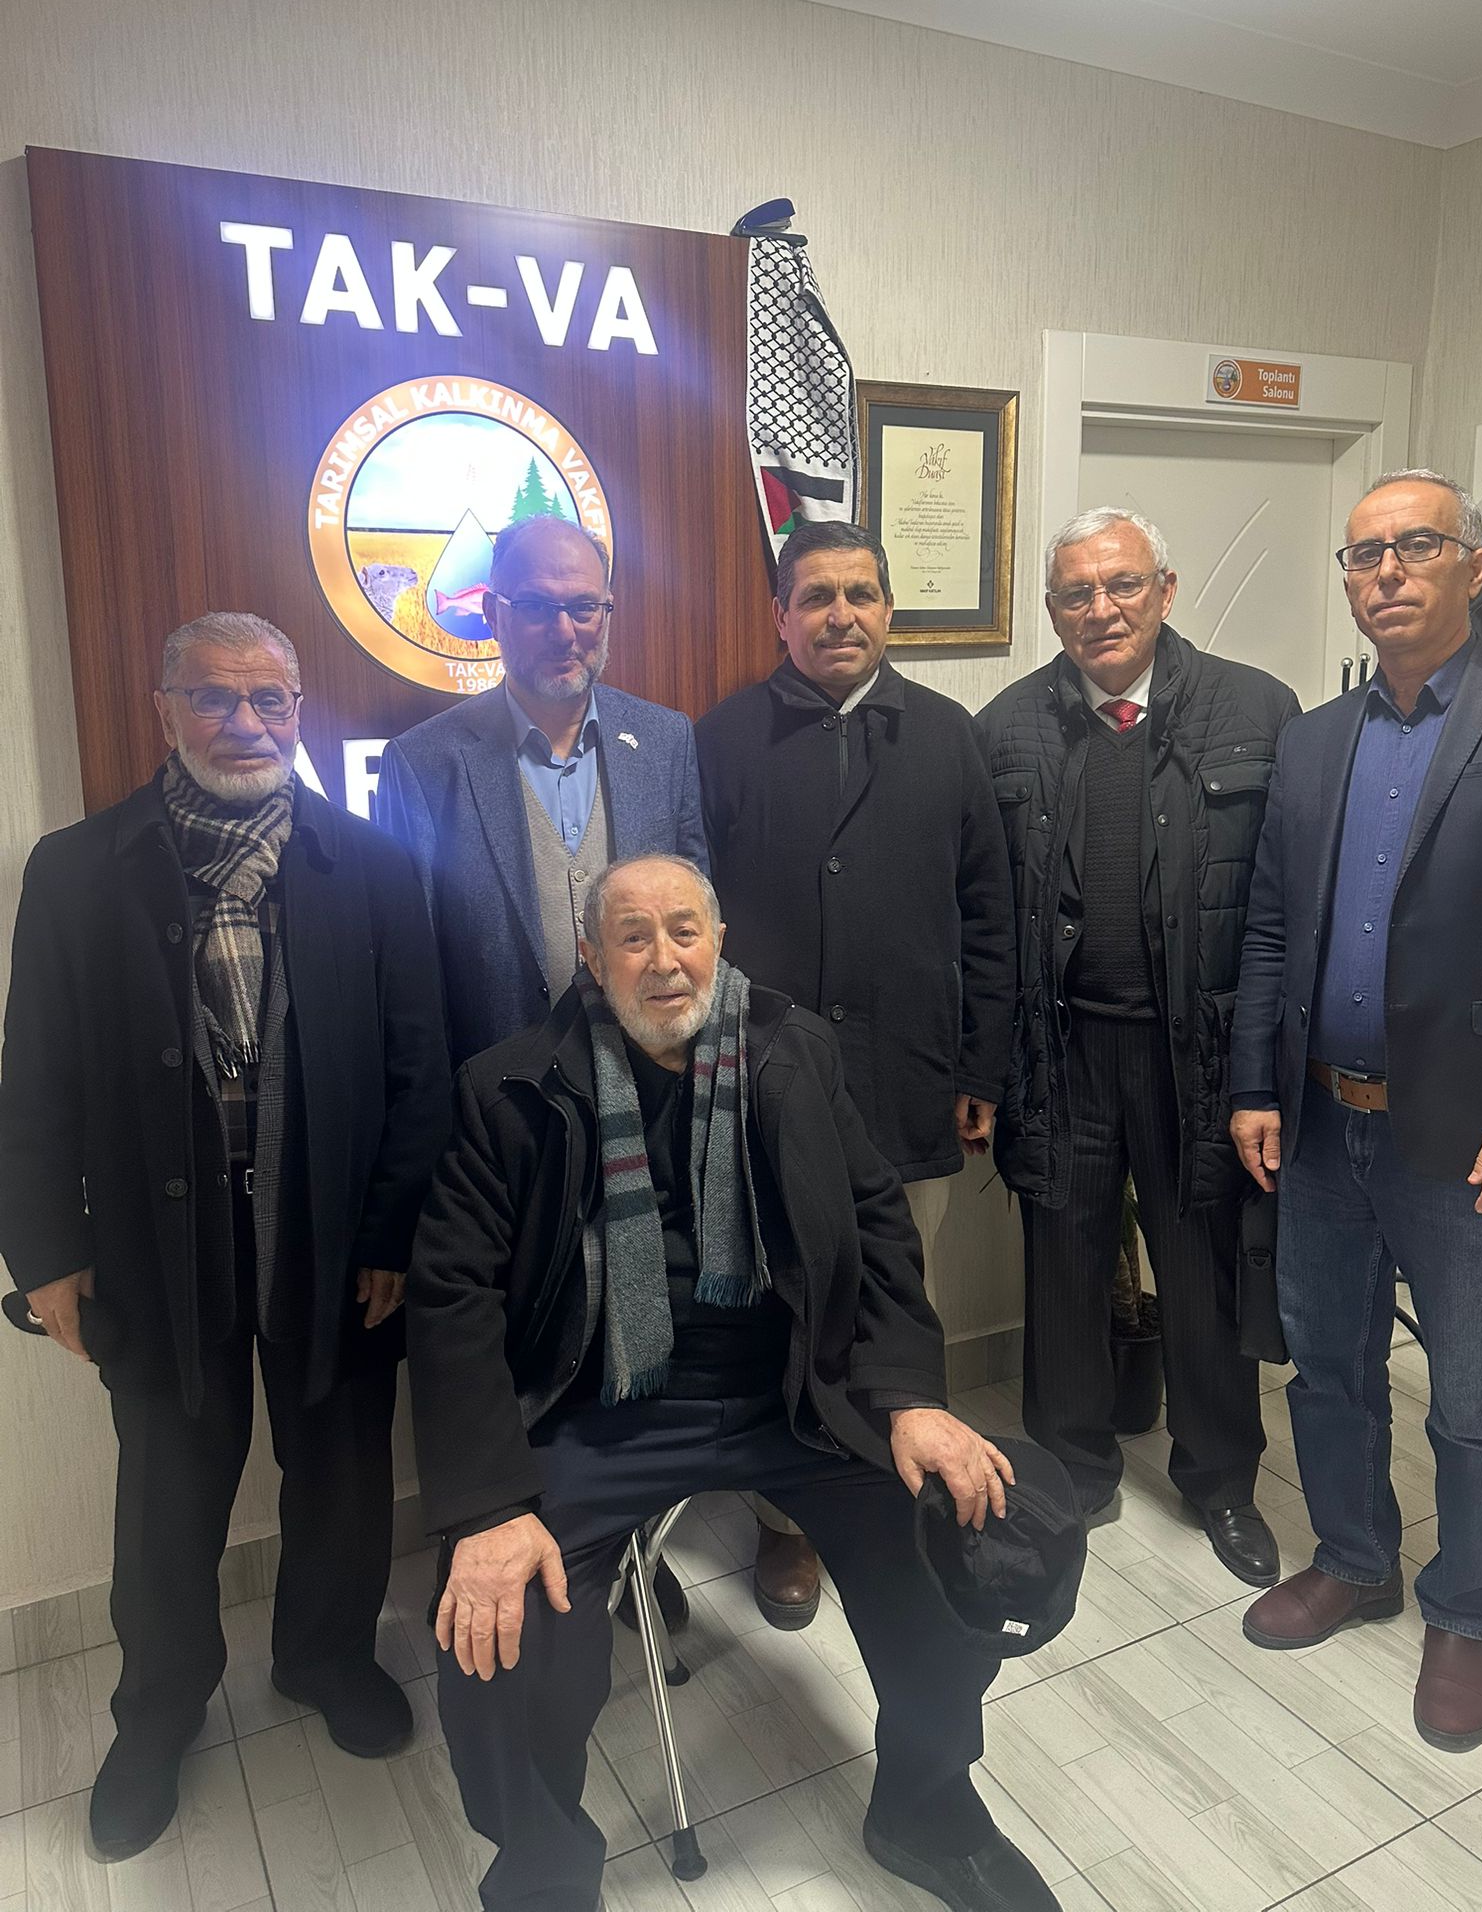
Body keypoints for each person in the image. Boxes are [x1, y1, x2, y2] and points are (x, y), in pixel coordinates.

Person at [407, 853, 1061, 1912]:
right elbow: (452, 1298)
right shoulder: (514, 1088)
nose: (663, 959)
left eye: (684, 930)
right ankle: (540, 1869)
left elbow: (877, 1225)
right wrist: (486, 1508)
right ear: (592, 958)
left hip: (795, 1393)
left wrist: (913, 1398)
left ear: (718, 942)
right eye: (632, 936)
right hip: (596, 1412)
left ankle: (928, 1805)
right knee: (503, 1623)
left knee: (957, 1533)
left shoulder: (794, 1053)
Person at [0, 612, 449, 1860]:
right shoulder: (76, 871)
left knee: (343, 1472)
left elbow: (419, 1066)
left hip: (334, 1240)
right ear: (164, 710)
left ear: (300, 710)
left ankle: (326, 1656)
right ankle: (157, 1712)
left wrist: (392, 1230)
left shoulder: (372, 863)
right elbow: (32, 1074)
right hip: (155, 1249)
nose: (245, 723)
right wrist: (45, 1252)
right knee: (166, 1496)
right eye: (213, 697)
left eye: (271, 700)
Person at [1231, 468, 1482, 1751]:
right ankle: (1354, 1556)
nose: (1388, 572)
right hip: (1318, 1122)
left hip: (1472, 1136)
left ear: (1473, 563)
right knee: (1330, 1361)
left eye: (1416, 545)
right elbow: (1268, 927)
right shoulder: (1315, 738)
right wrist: (1254, 1083)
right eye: (1364, 555)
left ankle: (1466, 1607)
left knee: (1472, 1391)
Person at [695, 520, 1015, 1628]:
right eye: (817, 596)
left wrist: (982, 1064)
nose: (841, 614)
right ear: (780, 616)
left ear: (888, 610)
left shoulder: (947, 734)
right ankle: (788, 1522)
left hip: (908, 1071)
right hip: (762, 1081)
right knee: (777, 1300)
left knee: (898, 1291)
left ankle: (898, 1493)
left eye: (861, 594)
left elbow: (990, 913)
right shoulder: (722, 738)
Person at [977, 509, 1299, 1585]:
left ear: (1165, 587)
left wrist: (1265, 1069)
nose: (1101, 609)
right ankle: (1071, 1467)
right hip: (1061, 1050)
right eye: (1077, 593)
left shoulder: (1257, 711)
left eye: (1121, 584)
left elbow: (1285, 907)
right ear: (1052, 609)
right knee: (1064, 1265)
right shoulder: (1006, 729)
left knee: (1202, 1271)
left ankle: (1222, 1479)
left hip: (1193, 1056)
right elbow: (982, 916)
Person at [377, 514, 709, 1068]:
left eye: (584, 607)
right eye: (534, 607)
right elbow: (410, 973)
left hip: (653, 1077)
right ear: (492, 614)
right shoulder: (423, 764)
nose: (564, 632)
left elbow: (693, 919)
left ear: (607, 612)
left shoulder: (665, 740)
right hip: (498, 1093)